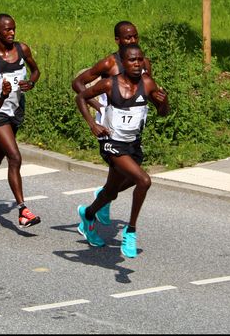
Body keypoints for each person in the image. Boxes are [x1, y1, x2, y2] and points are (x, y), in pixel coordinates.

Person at [75, 44, 169, 257]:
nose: (137, 64)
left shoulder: (147, 83)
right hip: (112, 144)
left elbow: (162, 113)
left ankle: (88, 214)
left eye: (140, 60)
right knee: (143, 180)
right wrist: (92, 124)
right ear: (123, 64)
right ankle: (131, 230)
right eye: (132, 61)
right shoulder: (109, 84)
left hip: (132, 145)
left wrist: (165, 102)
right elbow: (80, 96)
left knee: (111, 192)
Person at [72, 21, 155, 223]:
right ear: (118, 40)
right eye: (127, 37)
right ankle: (100, 205)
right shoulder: (109, 63)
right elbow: (78, 84)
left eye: (135, 36)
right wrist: (97, 107)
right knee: (138, 177)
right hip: (109, 128)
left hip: (132, 129)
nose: (132, 40)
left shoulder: (143, 62)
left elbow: (148, 88)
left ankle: (101, 200)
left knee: (122, 178)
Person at [0, 13, 42, 227]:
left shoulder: (22, 49)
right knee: (15, 157)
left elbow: (36, 71)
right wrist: (1, 94)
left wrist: (31, 83)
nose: (12, 33)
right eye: (7, 29)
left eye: (13, 29)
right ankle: (22, 210)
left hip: (16, 109)